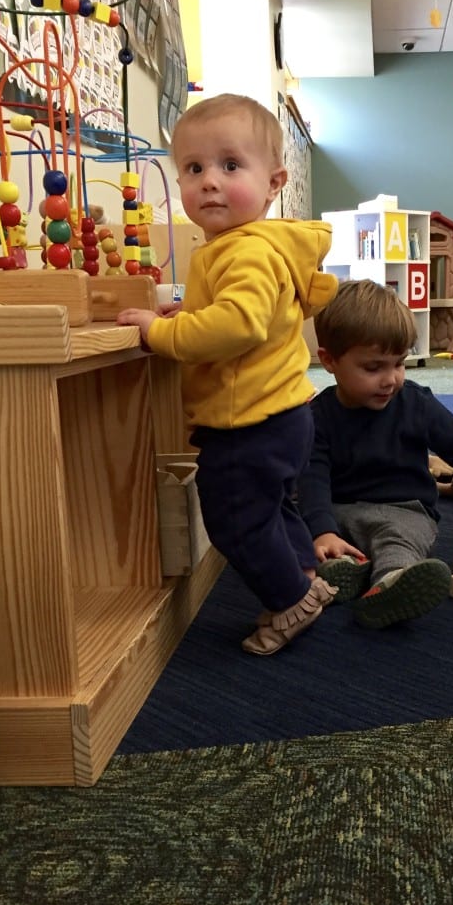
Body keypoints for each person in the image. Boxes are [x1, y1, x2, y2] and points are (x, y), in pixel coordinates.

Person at [117, 93, 338, 656]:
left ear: (274, 182)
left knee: (236, 521)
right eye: (194, 169)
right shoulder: (241, 247)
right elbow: (240, 317)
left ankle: (292, 599)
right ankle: (305, 576)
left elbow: (238, 325)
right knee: (275, 506)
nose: (209, 181)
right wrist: (187, 316)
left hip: (249, 421)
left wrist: (159, 333)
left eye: (230, 165)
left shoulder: (246, 251)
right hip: (281, 410)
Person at [297, 279, 453, 629]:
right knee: (306, 526)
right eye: (374, 367)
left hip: (405, 508)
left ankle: (390, 583)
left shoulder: (415, 402)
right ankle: (342, 570)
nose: (391, 379)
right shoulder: (316, 417)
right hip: (343, 510)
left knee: (397, 538)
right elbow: (312, 480)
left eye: (398, 364)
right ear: (329, 361)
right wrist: (322, 531)